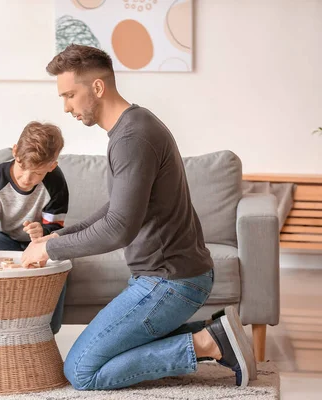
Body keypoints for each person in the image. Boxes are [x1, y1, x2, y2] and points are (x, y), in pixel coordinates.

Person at [21, 44, 257, 389]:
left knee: (83, 371)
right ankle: (218, 333)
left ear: (97, 87)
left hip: (170, 282)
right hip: (168, 277)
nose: (67, 107)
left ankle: (206, 343)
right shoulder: (133, 125)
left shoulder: (132, 137)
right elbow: (117, 208)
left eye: (70, 95)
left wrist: (49, 250)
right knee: (102, 357)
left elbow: (119, 229)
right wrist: (59, 236)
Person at [0, 121, 69, 333]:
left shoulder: (56, 182)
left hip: (39, 242)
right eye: (22, 168)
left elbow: (55, 228)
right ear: (15, 152)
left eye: (37, 173)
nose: (27, 179)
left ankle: (48, 330)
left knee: (59, 259)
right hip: (5, 238)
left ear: (51, 166)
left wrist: (42, 233)